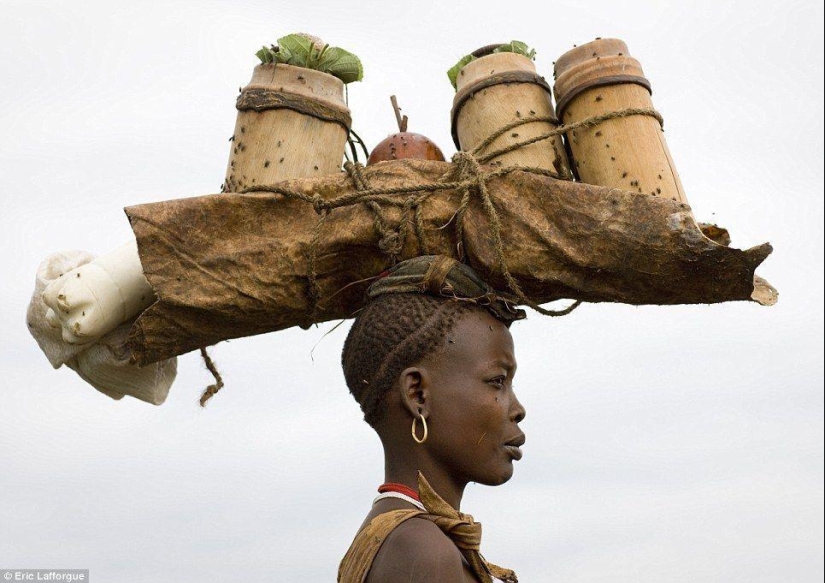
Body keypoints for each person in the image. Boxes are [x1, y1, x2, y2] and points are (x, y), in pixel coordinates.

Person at [338, 255, 526, 583]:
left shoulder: (400, 537)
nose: (517, 409)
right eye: (497, 380)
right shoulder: (423, 552)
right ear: (418, 394)